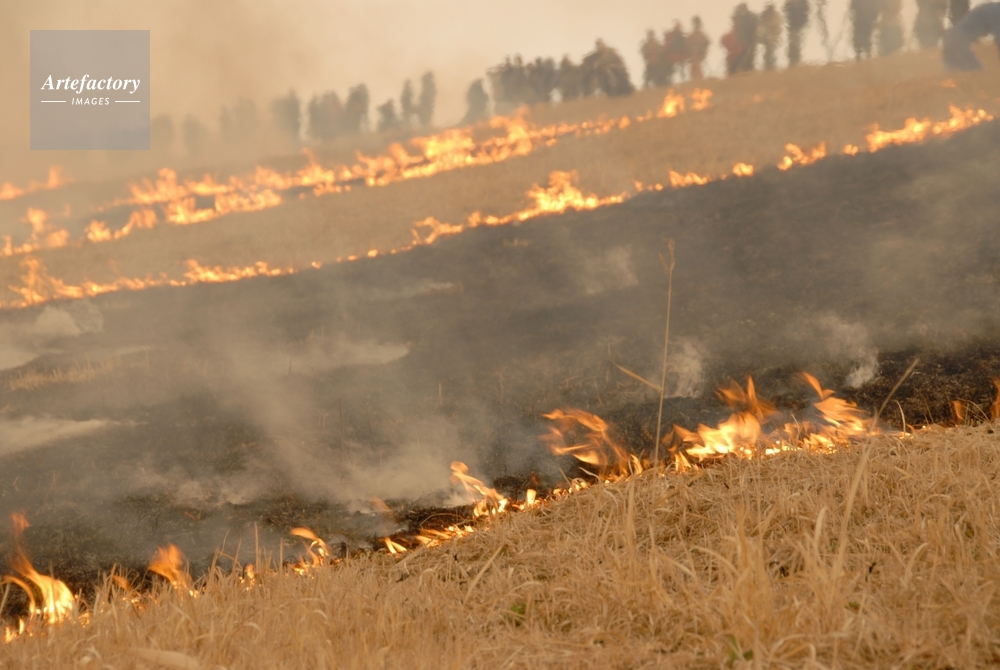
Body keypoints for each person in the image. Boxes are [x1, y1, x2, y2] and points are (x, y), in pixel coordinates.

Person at [942, 1, 1000, 70]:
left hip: (950, 39)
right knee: (977, 72)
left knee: (954, 73)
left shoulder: (990, 7)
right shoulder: (996, 12)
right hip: (958, 42)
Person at [784, 0, 810, 66]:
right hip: (793, 26)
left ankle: (795, 61)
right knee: (794, 43)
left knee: (796, 43)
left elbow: (806, 13)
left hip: (798, 26)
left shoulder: (802, 3)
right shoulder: (791, 3)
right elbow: (786, 11)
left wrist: (803, 23)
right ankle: (793, 60)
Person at [758, 3, 784, 70]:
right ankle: (768, 67)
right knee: (768, 53)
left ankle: (770, 67)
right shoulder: (764, 16)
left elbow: (778, 28)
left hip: (773, 39)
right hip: (767, 38)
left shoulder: (776, 17)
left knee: (770, 52)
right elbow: (761, 27)